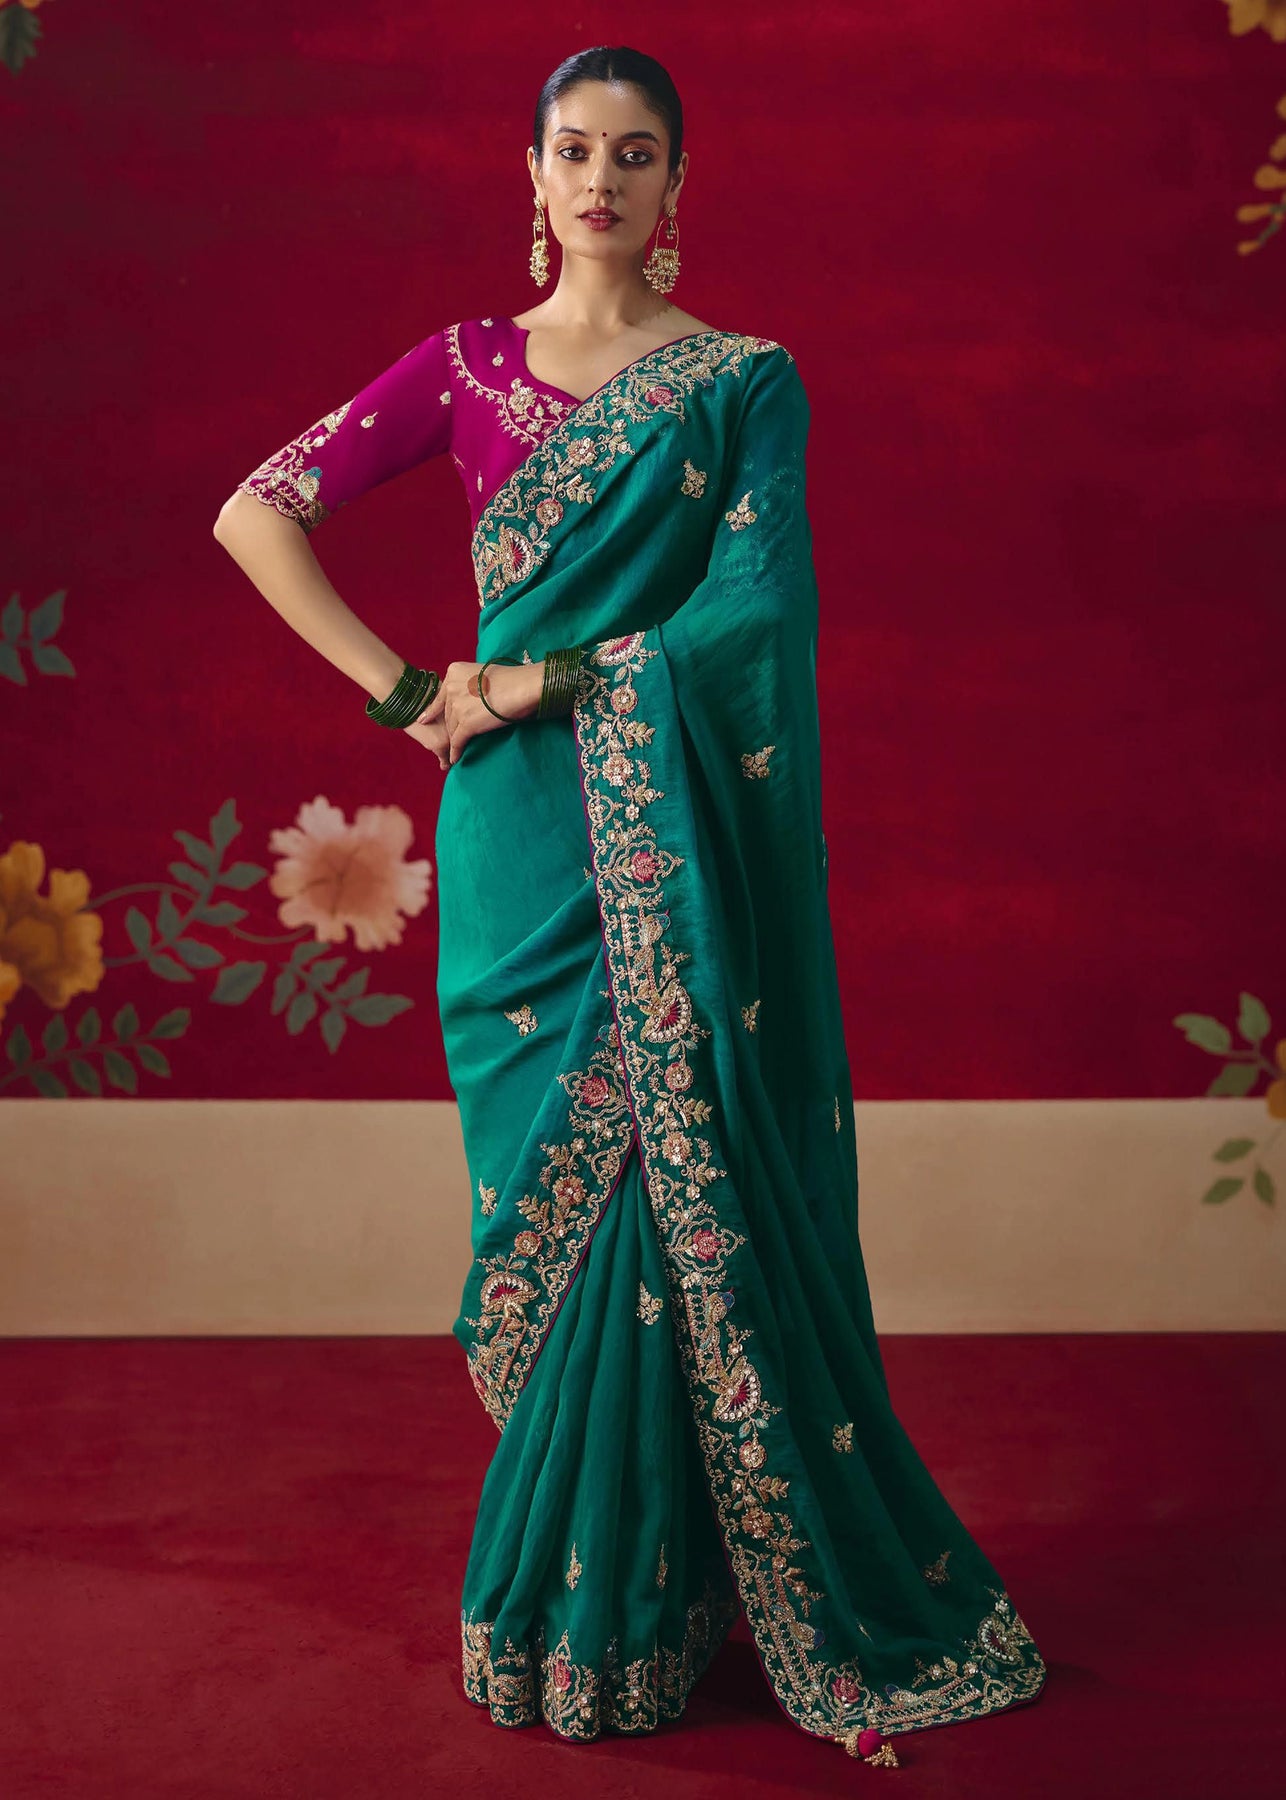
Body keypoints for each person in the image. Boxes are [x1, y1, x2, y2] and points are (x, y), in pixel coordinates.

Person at [214, 43, 1047, 1768]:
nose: (601, 180)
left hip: (670, 839)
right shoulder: (462, 369)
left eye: (636, 153)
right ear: (529, 173)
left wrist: (539, 679)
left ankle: (623, 1614)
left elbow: (750, 620)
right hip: (516, 844)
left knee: (673, 1199)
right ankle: (591, 1594)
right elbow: (255, 513)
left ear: (678, 184)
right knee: (550, 1202)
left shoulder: (741, 383)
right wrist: (400, 691)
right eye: (574, 150)